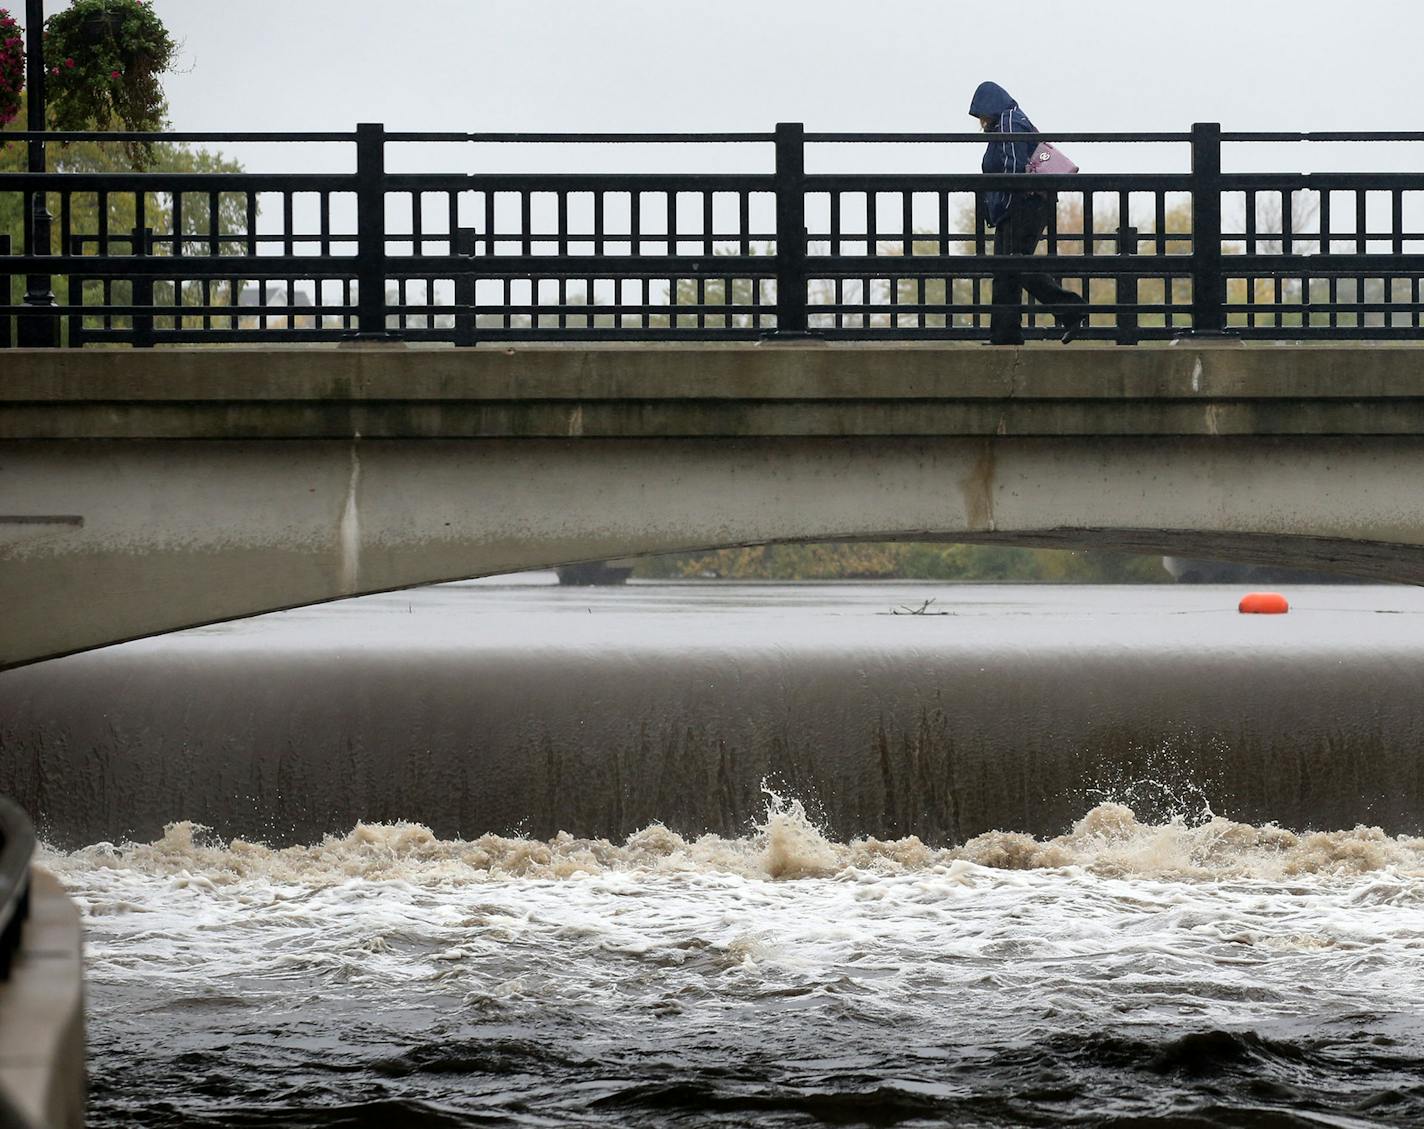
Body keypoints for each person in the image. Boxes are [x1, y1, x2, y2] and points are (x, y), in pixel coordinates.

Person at [968, 81, 1088, 345]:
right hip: (1021, 204)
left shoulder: (1009, 122)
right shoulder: (1009, 121)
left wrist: (1004, 204)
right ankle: (1005, 334)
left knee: (1014, 264)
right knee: (1007, 268)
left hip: (1022, 204)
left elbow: (1013, 166)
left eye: (981, 114)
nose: (981, 121)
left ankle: (1072, 310)